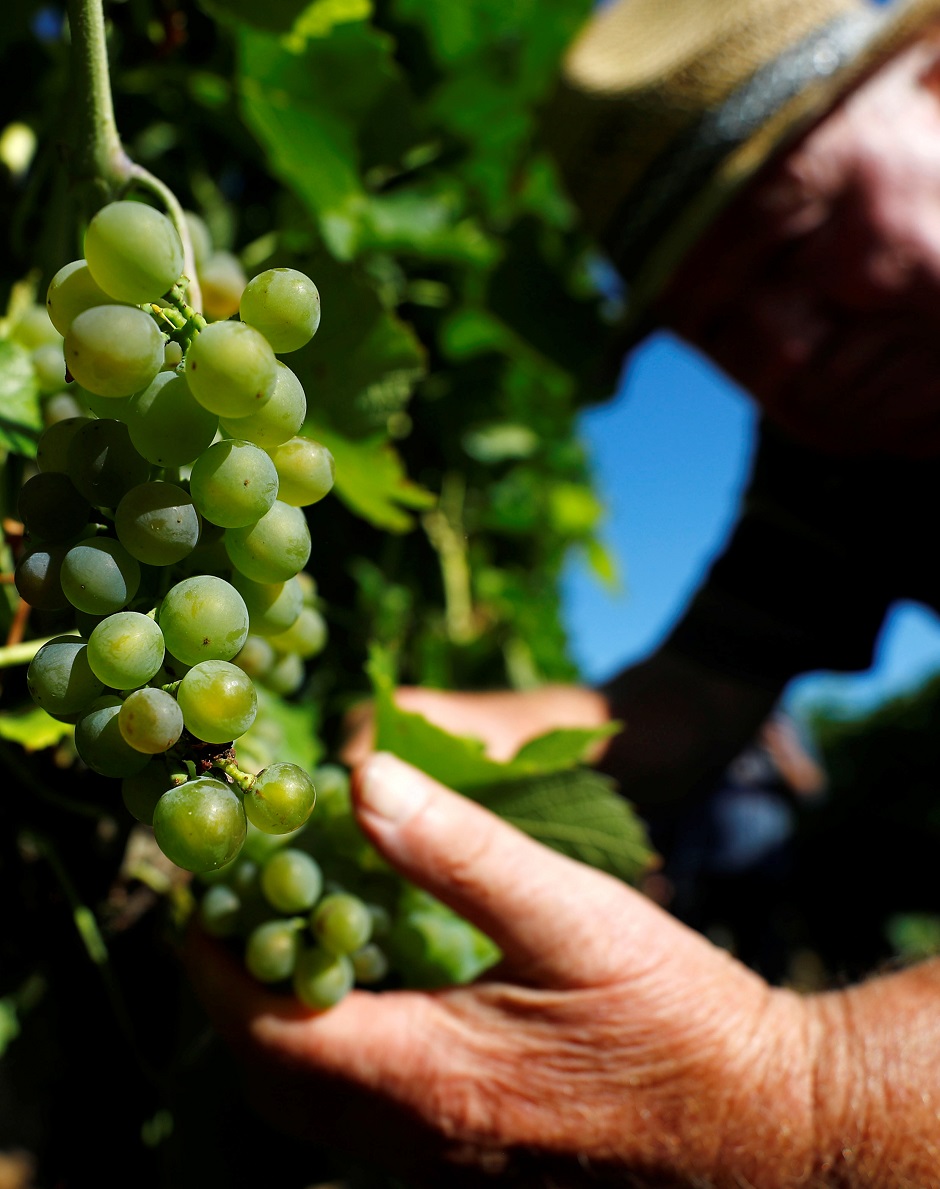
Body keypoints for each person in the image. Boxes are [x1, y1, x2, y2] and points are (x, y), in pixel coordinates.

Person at [186, 0, 940, 1183]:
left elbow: (814, 1096)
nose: (788, 353)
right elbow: (692, 694)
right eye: (722, 330)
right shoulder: (845, 459)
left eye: (796, 241)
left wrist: (813, 1096)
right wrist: (404, 743)